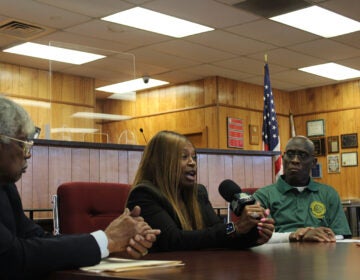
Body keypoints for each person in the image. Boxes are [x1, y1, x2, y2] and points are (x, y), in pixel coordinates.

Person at [0, 95, 160, 279]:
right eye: (23, 144)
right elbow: (11, 257)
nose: (27, 155)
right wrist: (107, 240)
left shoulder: (5, 186)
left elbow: (35, 238)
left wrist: (108, 243)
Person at [126, 130, 274, 252]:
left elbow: (219, 231)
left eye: (194, 157)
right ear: (162, 163)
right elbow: (173, 240)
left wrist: (253, 233)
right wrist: (236, 228)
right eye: (184, 157)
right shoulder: (144, 195)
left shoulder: (198, 193)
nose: (192, 162)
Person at [253, 135, 351, 243]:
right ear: (283, 158)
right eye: (290, 154)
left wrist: (320, 238)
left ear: (313, 162)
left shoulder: (328, 194)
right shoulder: (264, 195)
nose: (295, 160)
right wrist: (297, 236)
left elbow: (341, 234)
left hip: (321, 255)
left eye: (302, 155)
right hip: (279, 255)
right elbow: (258, 237)